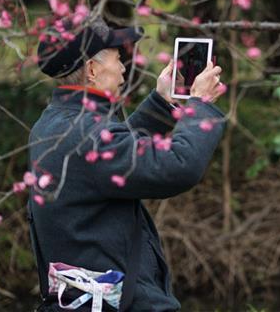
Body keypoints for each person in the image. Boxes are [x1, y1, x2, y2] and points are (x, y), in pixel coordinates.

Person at [29, 17, 226, 311]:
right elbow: (179, 165)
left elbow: (111, 158)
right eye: (118, 58)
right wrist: (200, 106)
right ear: (93, 69)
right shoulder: (87, 133)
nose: (123, 67)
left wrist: (161, 103)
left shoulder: (55, 123)